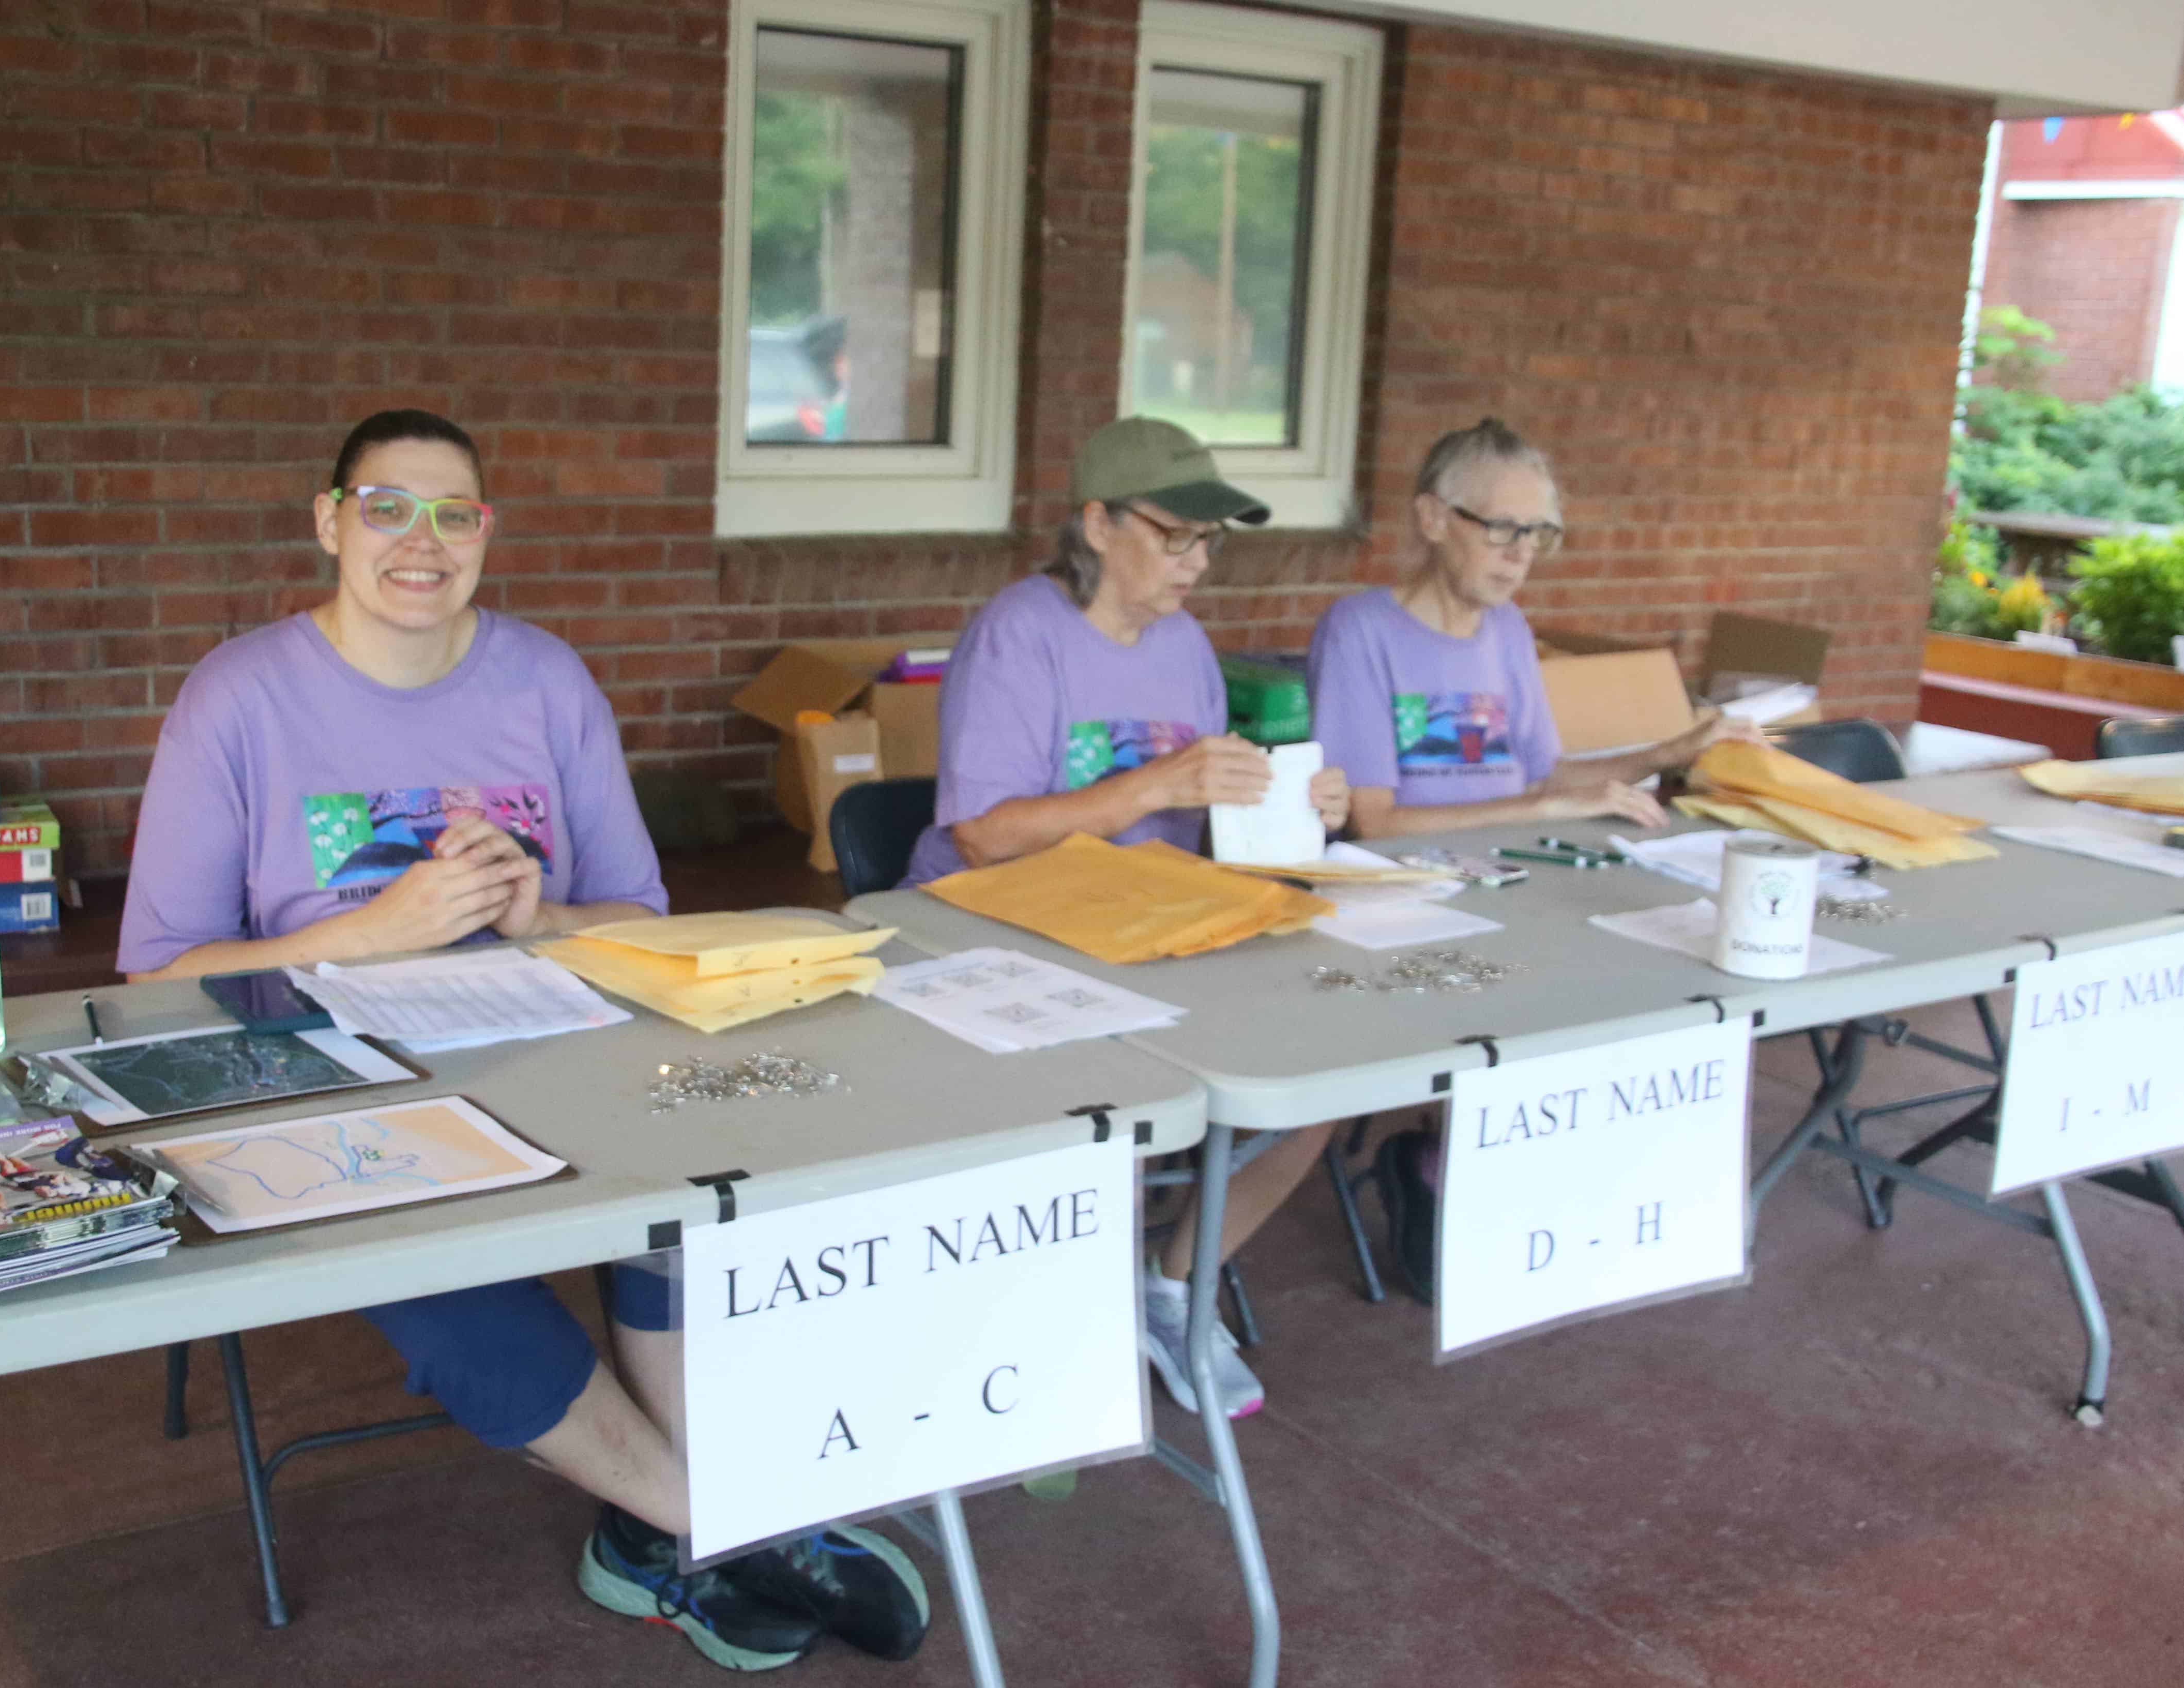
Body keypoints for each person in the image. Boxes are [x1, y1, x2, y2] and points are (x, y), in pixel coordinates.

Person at [117, 409, 928, 1672]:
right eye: (387, 506)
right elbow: (157, 973)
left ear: (486, 535)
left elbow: (643, 919)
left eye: (455, 513)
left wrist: (539, 910)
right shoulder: (239, 696)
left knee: (708, 1187)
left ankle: (662, 1537)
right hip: (333, 1077)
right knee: (450, 1276)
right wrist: (373, 933)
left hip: (549, 1038)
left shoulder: (544, 677)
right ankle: (729, 1525)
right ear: (330, 522)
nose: (421, 539)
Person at [902, 415, 1352, 1421]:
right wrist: (1157, 781)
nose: (1197, 562)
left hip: (1138, 930)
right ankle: (1042, 1319)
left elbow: (1198, 823)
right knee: (1111, 1100)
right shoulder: (1019, 632)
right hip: (995, 933)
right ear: (1098, 524)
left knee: (1315, 1081)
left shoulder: (1184, 642)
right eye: (1177, 535)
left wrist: (1297, 802)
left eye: (1211, 541)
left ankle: (1170, 1281)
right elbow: (983, 836)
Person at [1308, 416, 1761, 1300]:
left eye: (1539, 534)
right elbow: (1371, 823)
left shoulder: (1507, 630)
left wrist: (1673, 748)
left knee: (1643, 962)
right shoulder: (1359, 630)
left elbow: (1547, 775)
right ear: (1433, 518)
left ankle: (1540, 1185)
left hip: (1510, 875)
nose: (1521, 555)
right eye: (1503, 528)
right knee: (1533, 985)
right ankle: (1440, 1168)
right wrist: (1547, 804)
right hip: (1408, 896)